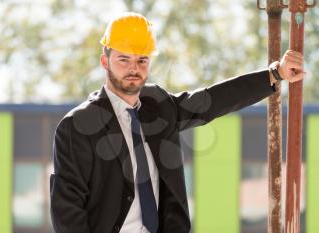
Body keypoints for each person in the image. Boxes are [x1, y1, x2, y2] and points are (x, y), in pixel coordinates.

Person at [50, 12, 304, 233]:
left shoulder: (159, 106)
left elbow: (211, 101)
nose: (133, 69)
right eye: (123, 59)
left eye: (142, 60)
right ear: (105, 61)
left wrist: (275, 73)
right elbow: (67, 211)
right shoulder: (77, 126)